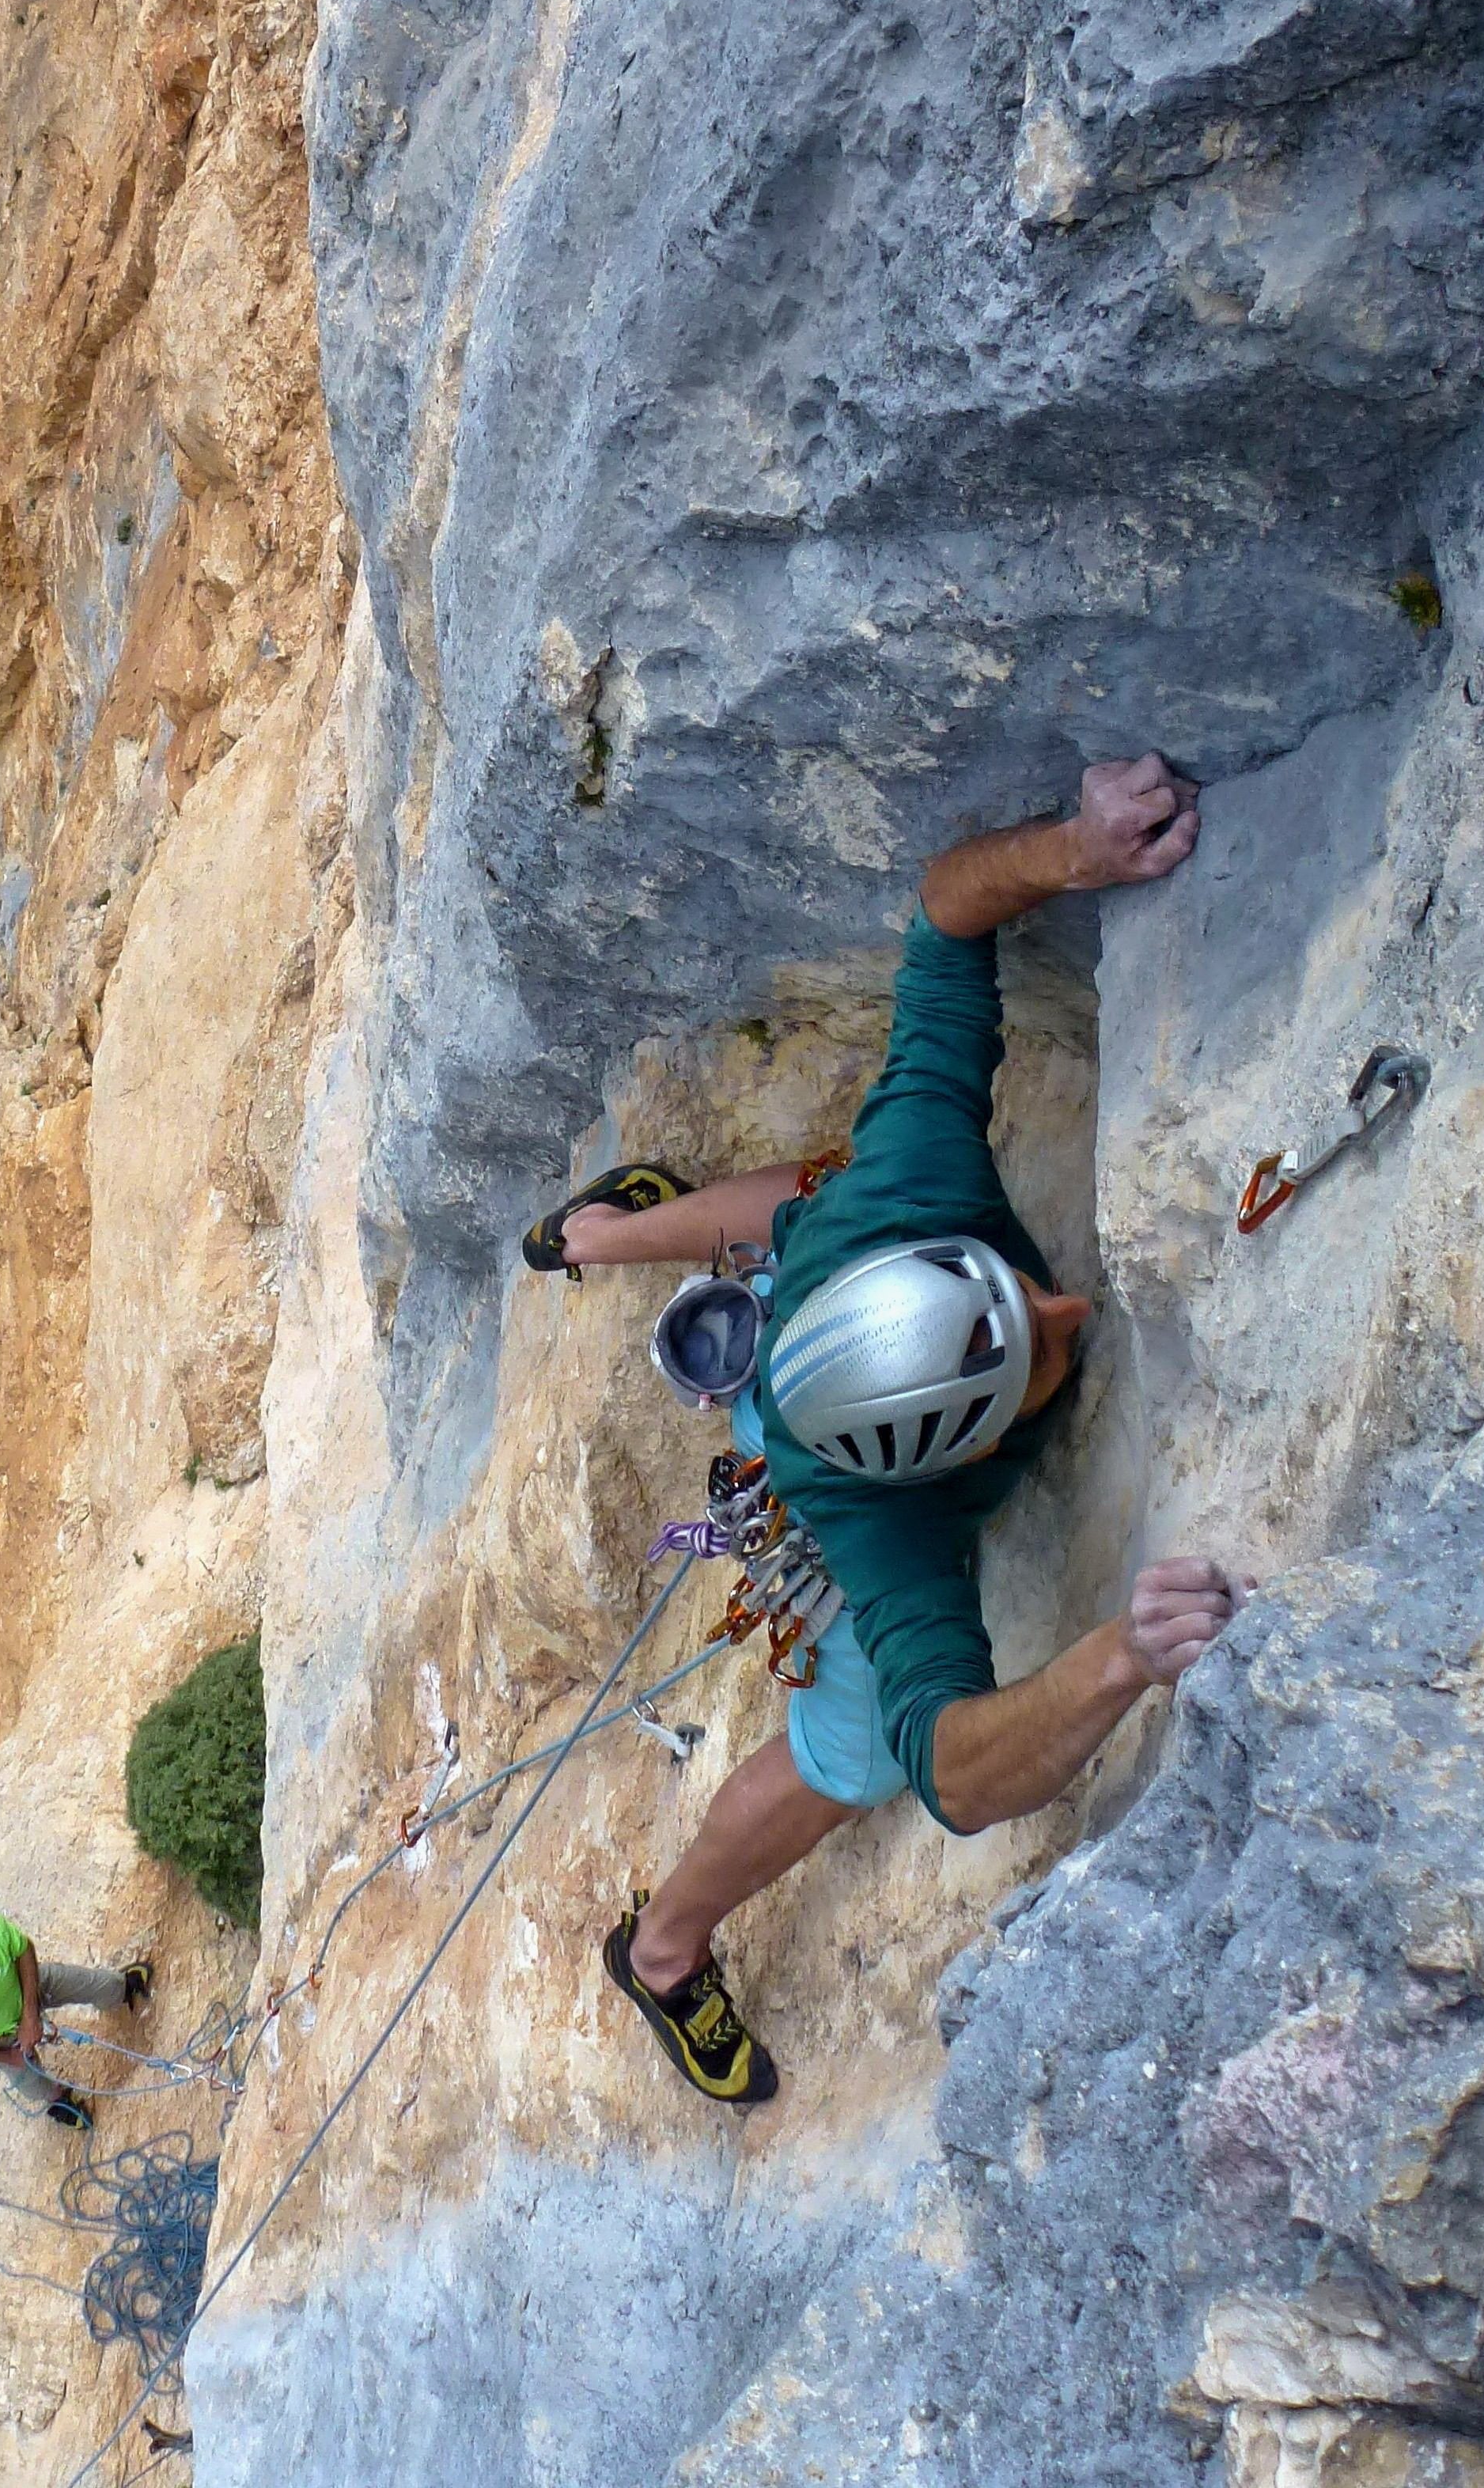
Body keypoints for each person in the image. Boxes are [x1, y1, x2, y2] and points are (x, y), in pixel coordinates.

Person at [531, 755, 1247, 2107]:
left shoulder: (912, 1186)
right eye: (1037, 1354)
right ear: (950, 1459)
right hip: (793, 1435)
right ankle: (665, 1950)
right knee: (844, 1754)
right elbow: (955, 1774)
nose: (1073, 1306)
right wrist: (1119, 1660)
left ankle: (612, 1234)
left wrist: (1076, 846)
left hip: (808, 1316)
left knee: (819, 1189)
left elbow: (944, 910)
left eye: (1022, 1298)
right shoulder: (891, 1536)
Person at [0, 1914, 153, 2130]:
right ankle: (59, 2101)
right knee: (34, 2087)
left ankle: (122, 1988)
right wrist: (7, 2057)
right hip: (0, 2038)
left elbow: (23, 1950)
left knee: (97, 1985)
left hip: (27, 1988)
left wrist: (30, 2016)